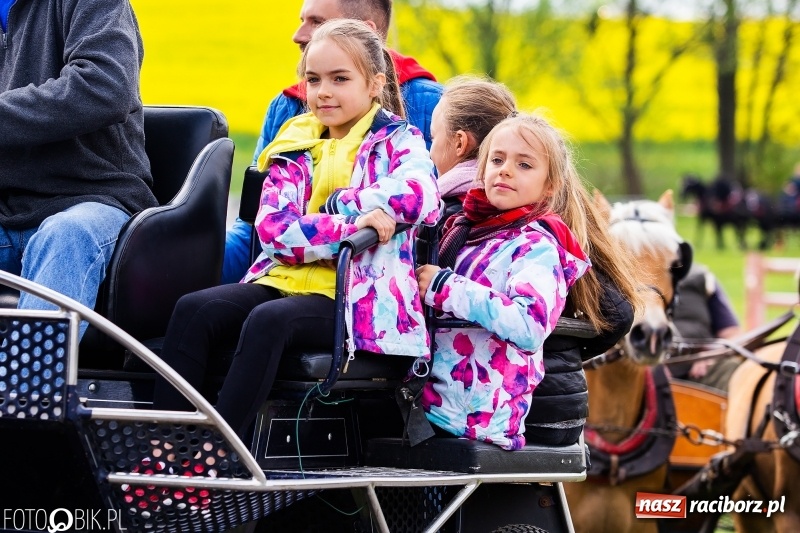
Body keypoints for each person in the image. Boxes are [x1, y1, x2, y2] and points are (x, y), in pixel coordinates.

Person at [152, 19, 441, 438]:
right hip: (284, 278)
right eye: (313, 79)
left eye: (340, 79)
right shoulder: (294, 141)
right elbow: (273, 229)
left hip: (357, 298)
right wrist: (349, 223)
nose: (323, 91)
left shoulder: (400, 141)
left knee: (270, 321)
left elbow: (419, 196)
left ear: (375, 83)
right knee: (194, 309)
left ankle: (219, 452)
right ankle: (167, 447)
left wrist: (340, 204)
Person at [416, 112, 639, 450]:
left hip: (479, 416)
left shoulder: (537, 247)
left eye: (524, 165)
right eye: (497, 159)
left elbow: (530, 325)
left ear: (550, 186)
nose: (505, 169)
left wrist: (445, 288)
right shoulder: (464, 232)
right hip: (436, 403)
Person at [222, 0, 443, 284]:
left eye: (317, 22)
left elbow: (432, 207)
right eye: (313, 80)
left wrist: (335, 206)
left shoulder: (429, 106)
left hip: (368, 286)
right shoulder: (289, 109)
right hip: (283, 272)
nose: (298, 34)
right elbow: (256, 227)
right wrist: (194, 268)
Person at [0, 0, 157, 338]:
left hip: (93, 197)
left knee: (67, 234)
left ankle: (29, 388)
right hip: (7, 208)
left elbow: (105, 87)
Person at [670, 263, 742, 392]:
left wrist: (711, 354)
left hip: (699, 371)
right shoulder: (631, 279)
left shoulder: (701, 278)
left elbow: (732, 334)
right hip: (650, 368)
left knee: (733, 368)